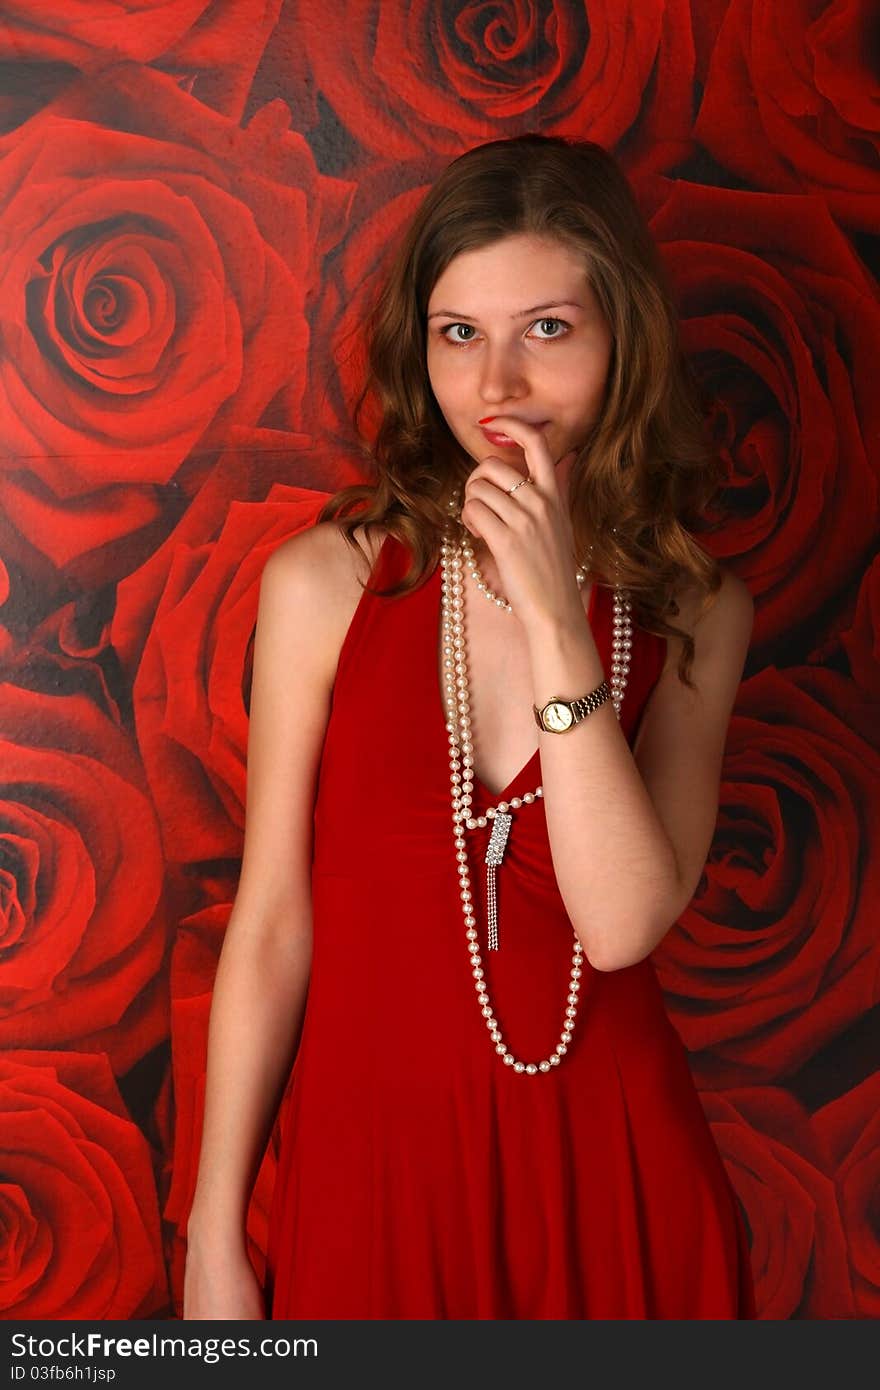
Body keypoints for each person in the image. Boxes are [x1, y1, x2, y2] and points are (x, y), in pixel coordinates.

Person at [183, 133, 757, 1320]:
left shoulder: (696, 607)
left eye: (545, 329)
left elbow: (620, 922)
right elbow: (275, 925)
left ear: (622, 340)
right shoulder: (325, 584)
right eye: (459, 334)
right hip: (371, 1177)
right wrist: (212, 1230)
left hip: (613, 1178)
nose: (495, 385)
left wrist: (556, 615)